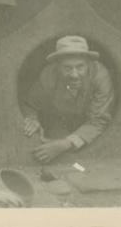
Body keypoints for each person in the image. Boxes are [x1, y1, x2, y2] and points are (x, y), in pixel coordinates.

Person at [20, 35, 115, 163]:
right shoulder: (48, 76)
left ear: (88, 63)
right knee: (58, 160)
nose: (74, 75)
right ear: (57, 66)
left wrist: (65, 144)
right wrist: (32, 119)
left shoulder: (100, 77)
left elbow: (98, 120)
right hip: (59, 123)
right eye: (67, 68)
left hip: (92, 129)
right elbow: (30, 104)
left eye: (80, 67)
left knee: (86, 162)